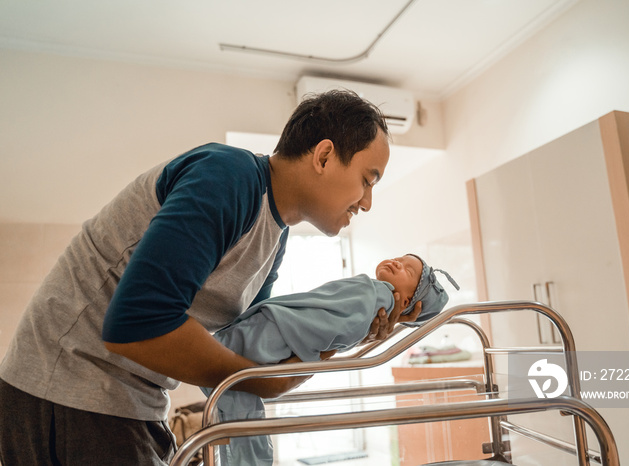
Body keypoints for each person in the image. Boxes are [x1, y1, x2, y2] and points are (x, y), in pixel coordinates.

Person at [0, 90, 408, 466]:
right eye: (368, 180)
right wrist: (257, 384)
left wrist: (347, 332)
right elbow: (137, 325)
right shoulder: (227, 176)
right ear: (323, 157)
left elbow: (253, 349)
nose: (368, 202)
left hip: (126, 399)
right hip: (68, 387)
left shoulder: (275, 235)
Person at [203, 254, 459, 466]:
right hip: (274, 332)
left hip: (273, 332)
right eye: (401, 258)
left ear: (405, 302)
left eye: (409, 271)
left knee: (239, 415)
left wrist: (318, 351)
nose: (397, 262)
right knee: (241, 420)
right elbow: (337, 326)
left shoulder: (380, 296)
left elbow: (339, 328)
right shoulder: (372, 292)